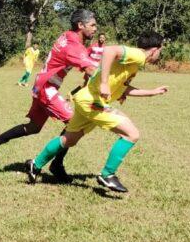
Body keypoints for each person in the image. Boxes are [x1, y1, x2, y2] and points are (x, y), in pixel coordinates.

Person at [26, 32, 167, 193]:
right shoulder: (138, 55)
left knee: (69, 139)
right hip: (93, 102)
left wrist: (152, 92)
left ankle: (35, 165)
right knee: (132, 133)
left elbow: (124, 87)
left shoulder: (134, 62)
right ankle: (107, 175)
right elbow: (109, 51)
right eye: (160, 51)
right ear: (155, 49)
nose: (159, 55)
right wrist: (105, 84)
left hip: (86, 99)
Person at [0, 9, 100, 181]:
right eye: (92, 25)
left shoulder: (67, 35)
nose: (95, 29)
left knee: (34, 127)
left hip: (41, 84)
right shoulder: (74, 46)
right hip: (47, 87)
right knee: (75, 124)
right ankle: (56, 165)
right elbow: (92, 70)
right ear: (80, 25)